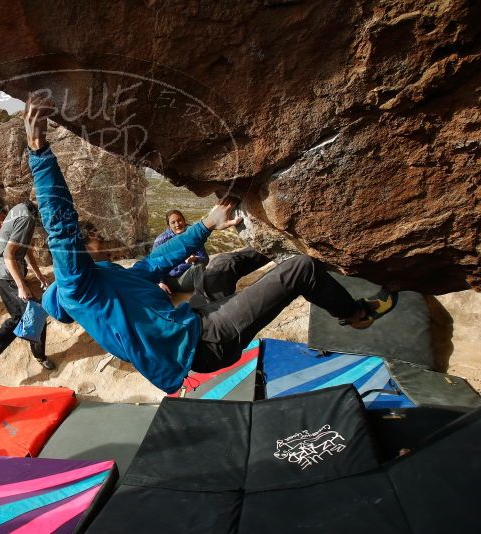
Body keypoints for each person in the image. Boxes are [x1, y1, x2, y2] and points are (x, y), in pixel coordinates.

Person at [23, 97, 397, 393]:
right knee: (301, 269)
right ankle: (355, 315)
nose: (98, 243)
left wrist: (207, 224)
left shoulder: (105, 283)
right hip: (204, 343)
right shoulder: (78, 289)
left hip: (196, 324)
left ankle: (272, 249)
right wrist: (39, 153)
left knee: (226, 267)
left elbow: (155, 262)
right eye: (92, 242)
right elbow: (61, 228)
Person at [0, 201, 56, 377]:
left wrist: (39, 276)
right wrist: (21, 285)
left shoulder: (18, 209)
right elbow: (9, 253)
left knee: (20, 317)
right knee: (37, 313)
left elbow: (26, 249)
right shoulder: (26, 218)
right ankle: (39, 356)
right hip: (5, 274)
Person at [152, 209, 209, 296]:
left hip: (189, 276)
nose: (177, 224)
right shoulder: (161, 240)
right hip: (171, 280)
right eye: (173, 222)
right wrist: (160, 282)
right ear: (169, 226)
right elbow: (154, 264)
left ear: (184, 220)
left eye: (179, 220)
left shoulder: (192, 235)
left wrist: (195, 259)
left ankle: (201, 297)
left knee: (199, 266)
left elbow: (205, 259)